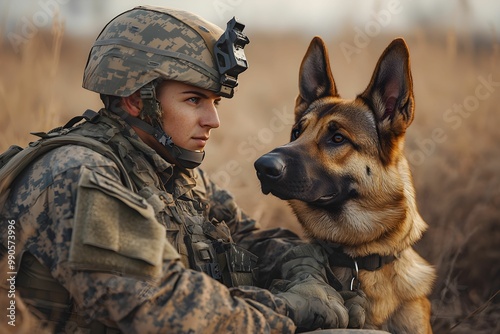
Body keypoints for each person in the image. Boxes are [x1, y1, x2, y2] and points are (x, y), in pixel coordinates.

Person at [0, 5, 366, 333]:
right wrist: (294, 309)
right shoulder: (79, 176)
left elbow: (257, 241)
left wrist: (309, 280)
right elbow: (167, 310)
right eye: (194, 100)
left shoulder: (170, 170)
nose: (214, 120)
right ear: (134, 100)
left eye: (215, 101)